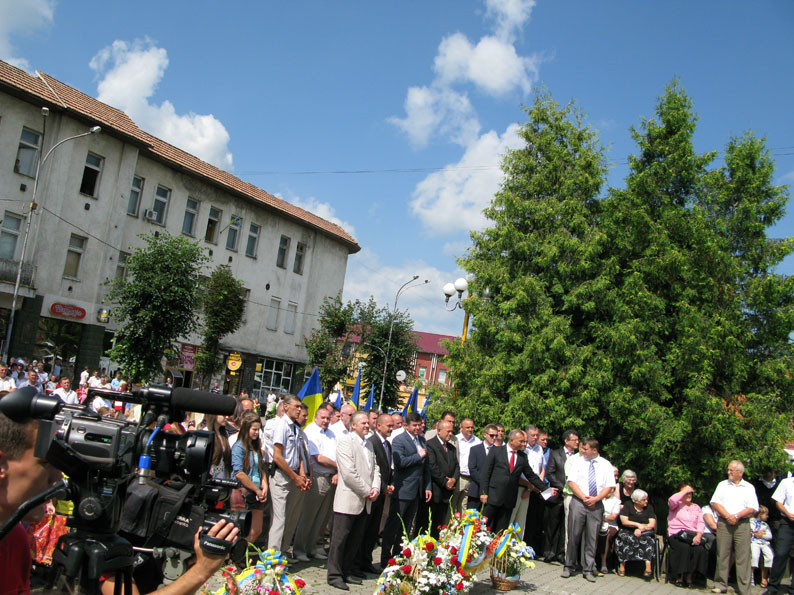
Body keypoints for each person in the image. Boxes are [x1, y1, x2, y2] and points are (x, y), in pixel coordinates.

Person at [326, 412, 380, 591]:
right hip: (349, 499)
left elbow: (376, 468)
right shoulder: (345, 442)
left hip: (365, 501)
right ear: (353, 425)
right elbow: (348, 473)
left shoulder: (369, 444)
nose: (366, 425)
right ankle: (334, 574)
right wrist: (366, 491)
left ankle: (347, 570)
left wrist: (376, 488)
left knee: (355, 540)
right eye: (363, 423)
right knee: (340, 540)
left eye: (367, 423)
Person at [379, 411, 432, 568]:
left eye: (419, 425)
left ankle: (399, 555)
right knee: (394, 525)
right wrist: (418, 455)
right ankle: (385, 557)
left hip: (417, 489)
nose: (417, 428)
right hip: (403, 489)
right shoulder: (399, 440)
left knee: (406, 527)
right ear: (406, 425)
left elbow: (426, 467)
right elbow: (400, 461)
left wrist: (427, 486)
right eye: (414, 425)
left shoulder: (422, 440)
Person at [561, 437, 615, 583]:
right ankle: (569, 566)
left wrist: (596, 499)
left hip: (596, 504)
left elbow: (609, 486)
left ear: (594, 450)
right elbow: (571, 482)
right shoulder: (578, 462)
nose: (582, 451)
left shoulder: (605, 465)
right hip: (579, 501)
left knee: (592, 538)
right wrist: (584, 497)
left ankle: (588, 569)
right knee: (574, 535)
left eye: (585, 449)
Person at [481, 429, 549, 533]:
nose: (524, 444)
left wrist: (546, 489)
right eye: (521, 441)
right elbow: (486, 473)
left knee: (501, 531)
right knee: (483, 527)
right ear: (512, 440)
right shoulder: (496, 451)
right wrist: (483, 492)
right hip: (492, 497)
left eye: (524, 441)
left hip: (509, 500)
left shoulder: (522, 457)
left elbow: (531, 475)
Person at [293, 403, 337, 561]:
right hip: (317, 475)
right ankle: (300, 549)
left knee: (322, 517)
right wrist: (339, 466)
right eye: (322, 418)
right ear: (316, 417)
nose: (325, 420)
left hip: (331, 477)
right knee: (309, 515)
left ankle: (313, 547)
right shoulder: (311, 431)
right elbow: (318, 458)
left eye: (328, 418)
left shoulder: (331, 433)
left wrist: (337, 471)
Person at [268, 395, 311, 555]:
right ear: (286, 406)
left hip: (294, 476)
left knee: (291, 516)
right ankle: (271, 558)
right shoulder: (281, 426)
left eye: (300, 407)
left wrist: (302, 474)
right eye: (297, 406)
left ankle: (284, 551)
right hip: (282, 475)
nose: (299, 410)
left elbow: (299, 453)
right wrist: (294, 476)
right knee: (279, 519)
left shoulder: (295, 427)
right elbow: (277, 456)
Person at [709, 460, 759, 595]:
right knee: (722, 553)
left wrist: (737, 516)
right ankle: (720, 584)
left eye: (732, 470)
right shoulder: (722, 485)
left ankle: (744, 589)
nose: (729, 472)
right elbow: (715, 502)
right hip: (724, 523)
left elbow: (753, 508)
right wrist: (728, 516)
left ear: (740, 472)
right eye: (729, 470)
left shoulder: (749, 487)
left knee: (743, 557)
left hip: (742, 524)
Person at [356, 412, 394, 574]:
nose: (391, 429)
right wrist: (383, 486)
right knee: (365, 530)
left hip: (382, 492)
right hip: (374, 491)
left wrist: (389, 484)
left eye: (392, 426)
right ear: (379, 426)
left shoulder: (387, 444)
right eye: (389, 426)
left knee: (373, 531)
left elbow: (387, 468)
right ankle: (357, 563)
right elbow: (373, 469)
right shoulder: (372, 442)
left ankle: (367, 560)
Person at [231, 411, 269, 545]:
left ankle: (241, 553)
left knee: (256, 529)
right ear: (246, 428)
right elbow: (239, 473)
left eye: (258, 430)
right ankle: (233, 558)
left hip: (257, 492)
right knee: (239, 529)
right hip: (243, 492)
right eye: (254, 429)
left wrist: (264, 485)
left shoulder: (255, 446)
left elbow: (261, 469)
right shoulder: (238, 447)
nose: (257, 433)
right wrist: (255, 489)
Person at [544, 429, 579, 563]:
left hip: (572, 495)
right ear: (566, 441)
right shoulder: (555, 453)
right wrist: (562, 488)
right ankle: (548, 551)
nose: (577, 442)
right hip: (557, 494)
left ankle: (561, 553)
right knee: (552, 524)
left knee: (567, 526)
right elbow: (550, 473)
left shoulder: (579, 457)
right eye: (574, 440)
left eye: (577, 440)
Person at [667, 483, 708, 587]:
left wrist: (698, 535)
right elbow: (671, 500)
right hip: (677, 534)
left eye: (690, 493)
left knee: (700, 549)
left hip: (691, 535)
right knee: (684, 548)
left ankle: (690, 576)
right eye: (686, 493)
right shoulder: (676, 505)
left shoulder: (696, 507)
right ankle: (679, 577)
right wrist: (684, 491)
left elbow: (700, 523)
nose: (688, 495)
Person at [426, 419, 459, 538]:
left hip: (446, 494)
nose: (450, 434)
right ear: (439, 431)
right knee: (429, 524)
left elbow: (456, 466)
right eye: (448, 431)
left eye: (452, 432)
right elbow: (432, 466)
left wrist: (453, 480)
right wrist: (445, 482)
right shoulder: (430, 444)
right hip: (435, 492)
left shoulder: (452, 448)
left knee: (439, 524)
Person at [763, 474, 794, 595]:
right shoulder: (786, 482)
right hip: (787, 522)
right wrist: (787, 512)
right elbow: (778, 501)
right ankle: (773, 587)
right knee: (781, 553)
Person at [615, 489, 656, 578]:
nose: (646, 501)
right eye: (644, 500)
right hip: (628, 530)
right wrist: (637, 525)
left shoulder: (649, 507)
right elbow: (624, 521)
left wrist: (641, 529)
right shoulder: (628, 505)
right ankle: (622, 565)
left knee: (647, 540)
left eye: (646, 499)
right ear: (636, 501)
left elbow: (652, 524)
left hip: (645, 532)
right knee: (625, 539)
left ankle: (648, 564)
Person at [467, 424, 497, 510]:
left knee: (486, 520)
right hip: (476, 490)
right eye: (492, 435)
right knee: (471, 519)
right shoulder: (475, 449)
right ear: (485, 435)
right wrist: (484, 483)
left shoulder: (498, 451)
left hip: (491, 492)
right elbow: (472, 469)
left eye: (496, 435)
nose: (494, 438)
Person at [597, 484, 621, 575]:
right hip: (598, 523)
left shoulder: (616, 501)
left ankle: (604, 562)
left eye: (611, 489)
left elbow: (613, 517)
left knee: (607, 534)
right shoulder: (599, 498)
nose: (609, 491)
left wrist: (601, 517)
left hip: (611, 525)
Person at [751, 506, 773, 588]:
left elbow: (770, 536)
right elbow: (749, 533)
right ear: (760, 514)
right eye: (766, 514)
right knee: (754, 556)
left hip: (764, 543)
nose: (767, 516)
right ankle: (751, 575)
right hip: (754, 542)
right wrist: (754, 534)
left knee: (769, 557)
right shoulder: (751, 522)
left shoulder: (765, 525)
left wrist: (762, 535)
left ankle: (765, 577)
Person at [205, 414, 232, 480]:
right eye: (224, 415)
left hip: (222, 477)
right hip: (210, 478)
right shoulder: (206, 433)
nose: (227, 417)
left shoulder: (224, 433)